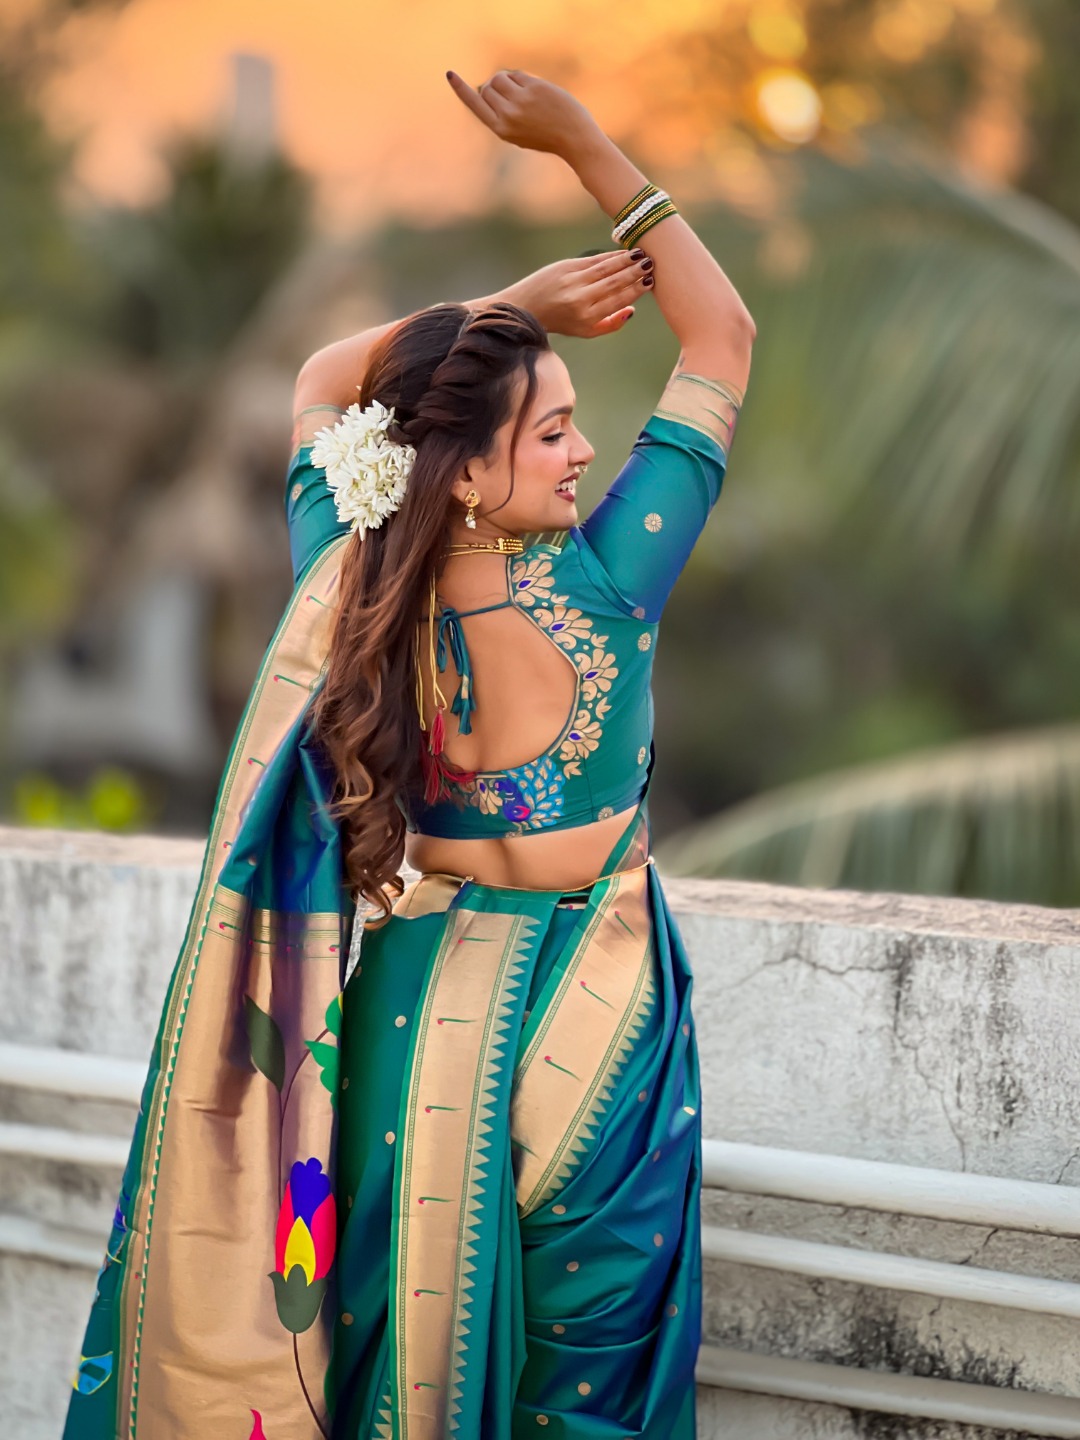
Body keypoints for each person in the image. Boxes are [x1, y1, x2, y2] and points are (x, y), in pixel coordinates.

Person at [62, 69, 754, 1440]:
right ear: (474, 473)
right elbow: (720, 334)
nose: (585, 449)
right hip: (587, 1034)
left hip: (398, 1026)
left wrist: (512, 314)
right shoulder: (610, 585)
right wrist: (588, 147)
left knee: (381, 1362)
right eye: (552, 430)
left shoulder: (349, 587)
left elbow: (325, 380)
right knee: (579, 1394)